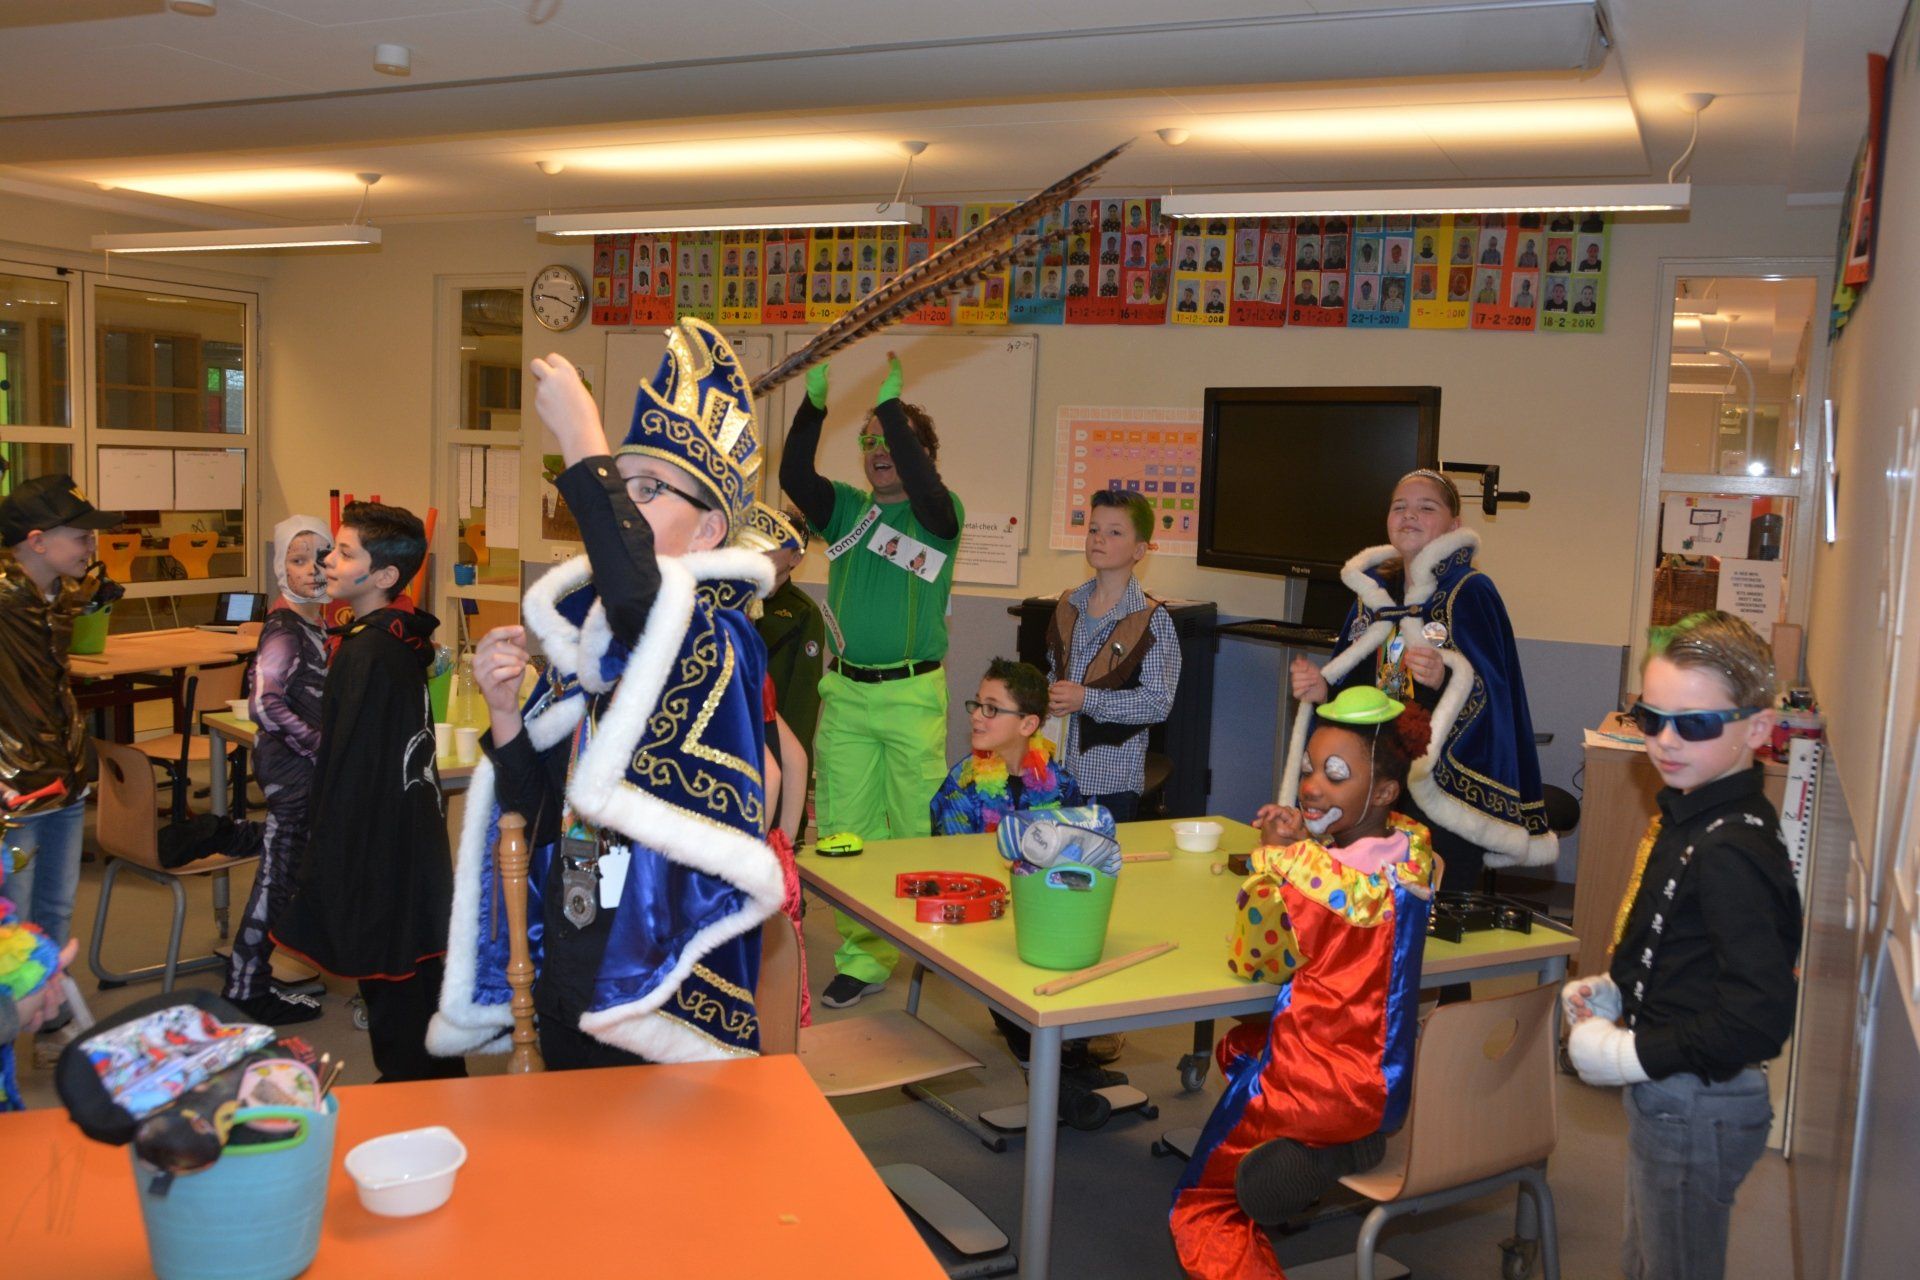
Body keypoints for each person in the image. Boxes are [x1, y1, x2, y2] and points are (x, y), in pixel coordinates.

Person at [431, 324, 781, 1069]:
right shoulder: (593, 654)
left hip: (656, 966)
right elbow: (535, 810)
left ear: (709, 530)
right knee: (570, 1090)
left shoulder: (718, 637)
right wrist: (504, 714)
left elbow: (643, 601)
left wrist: (584, 442)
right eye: (621, 489)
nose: (625, 504)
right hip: (580, 915)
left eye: (647, 490)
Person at [1561, 612, 1799, 1280]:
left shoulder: (1732, 848)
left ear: (1757, 728)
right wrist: (1618, 990)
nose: (1665, 741)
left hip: (1699, 1103)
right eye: (1651, 717)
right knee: (1643, 1257)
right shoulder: (1691, 809)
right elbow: (1680, 943)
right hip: (1671, 1094)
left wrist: (1625, 1053)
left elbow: (1758, 1017)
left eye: (1695, 724)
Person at [1171, 687, 1437, 1280]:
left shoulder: (1303, 883)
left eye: (1335, 775)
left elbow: (1253, 961)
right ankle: (1336, 1148)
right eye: (1311, 769)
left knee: (1201, 1206)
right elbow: (1350, 869)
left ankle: (1306, 1146)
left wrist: (1275, 861)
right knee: (1239, 1046)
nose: (1312, 786)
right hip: (1383, 1083)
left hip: (1314, 1084)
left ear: (1384, 792)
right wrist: (1308, 844)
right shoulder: (1411, 851)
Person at [779, 352, 962, 1010]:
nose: (878, 451)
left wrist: (888, 409)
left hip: (913, 696)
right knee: (846, 830)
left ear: (921, 453)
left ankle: (931, 942)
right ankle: (864, 956)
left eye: (891, 442)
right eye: (869, 442)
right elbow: (794, 475)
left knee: (915, 825)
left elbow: (926, 488)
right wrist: (813, 408)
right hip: (848, 695)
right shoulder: (848, 511)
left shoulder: (939, 514)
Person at [272, 502, 466, 1083]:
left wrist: (331, 845)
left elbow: (352, 761)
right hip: (405, 829)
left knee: (391, 964)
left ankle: (412, 1083)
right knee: (413, 961)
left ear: (384, 575)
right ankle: (426, 1076)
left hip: (376, 835)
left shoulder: (367, 651)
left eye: (344, 552)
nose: (328, 561)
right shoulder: (390, 637)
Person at [1287, 469, 1553, 891]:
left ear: (1454, 525)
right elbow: (1359, 680)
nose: (1409, 515)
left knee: (1432, 901)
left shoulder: (1469, 590)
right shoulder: (1374, 594)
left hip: (1440, 786)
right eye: (1400, 507)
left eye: (1426, 508)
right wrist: (1325, 691)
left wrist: (1444, 678)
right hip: (1375, 777)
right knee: (1365, 895)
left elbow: (1495, 692)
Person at [930, 659, 1125, 1130]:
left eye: (991, 708)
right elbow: (958, 865)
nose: (976, 716)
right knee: (1008, 966)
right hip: (987, 917)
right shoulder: (963, 785)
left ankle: (1070, 1059)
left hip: (1049, 908)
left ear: (1028, 724)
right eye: (977, 704)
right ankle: (1048, 1076)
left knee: (1087, 940)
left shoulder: (1060, 782)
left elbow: (1081, 852)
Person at [0, 472, 122, 1069]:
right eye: (80, 537)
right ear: (37, 540)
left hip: (65, 778)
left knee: (55, 909)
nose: (90, 547)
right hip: (14, 793)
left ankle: (51, 1023)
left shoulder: (58, 596)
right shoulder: (4, 600)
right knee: (12, 923)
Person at [221, 516, 333, 1026]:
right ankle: (246, 986)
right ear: (280, 569)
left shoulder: (317, 624)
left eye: (321, 558)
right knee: (278, 875)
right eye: (298, 560)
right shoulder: (286, 629)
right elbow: (264, 705)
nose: (313, 570)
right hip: (292, 769)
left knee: (288, 870)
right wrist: (319, 747)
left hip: (304, 767)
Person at [1044, 490, 1180, 820]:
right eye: (1093, 529)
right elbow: (1053, 671)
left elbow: (1157, 702)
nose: (1099, 538)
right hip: (1055, 772)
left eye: (1114, 532)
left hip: (1111, 782)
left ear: (1139, 550)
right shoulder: (1068, 605)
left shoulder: (1151, 619)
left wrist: (1086, 699)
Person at [750, 504, 825, 758]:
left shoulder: (803, 612)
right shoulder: (732, 597)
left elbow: (803, 699)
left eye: (778, 541)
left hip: (774, 736)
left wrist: (789, 756)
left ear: (795, 558)